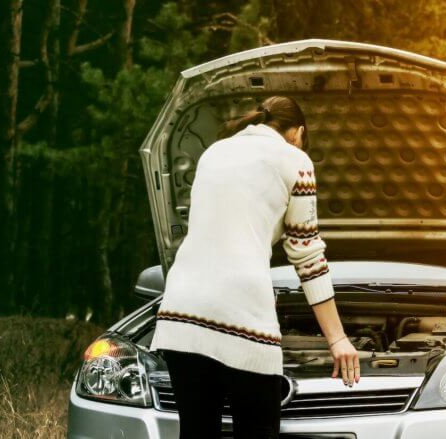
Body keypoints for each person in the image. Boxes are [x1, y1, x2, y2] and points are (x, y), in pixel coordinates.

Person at [150, 96, 359, 438]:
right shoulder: (296, 161)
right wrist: (337, 339)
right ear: (298, 133)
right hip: (242, 312)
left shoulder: (213, 153)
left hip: (180, 310)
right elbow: (306, 255)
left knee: (196, 433)